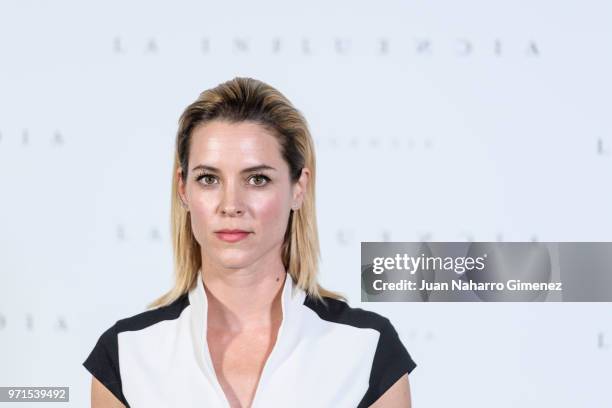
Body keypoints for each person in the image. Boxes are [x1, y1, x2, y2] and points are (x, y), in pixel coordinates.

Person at [83, 77, 417, 407]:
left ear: (298, 188)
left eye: (257, 179)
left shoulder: (367, 350)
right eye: (208, 179)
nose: (231, 204)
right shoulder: (127, 355)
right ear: (183, 189)